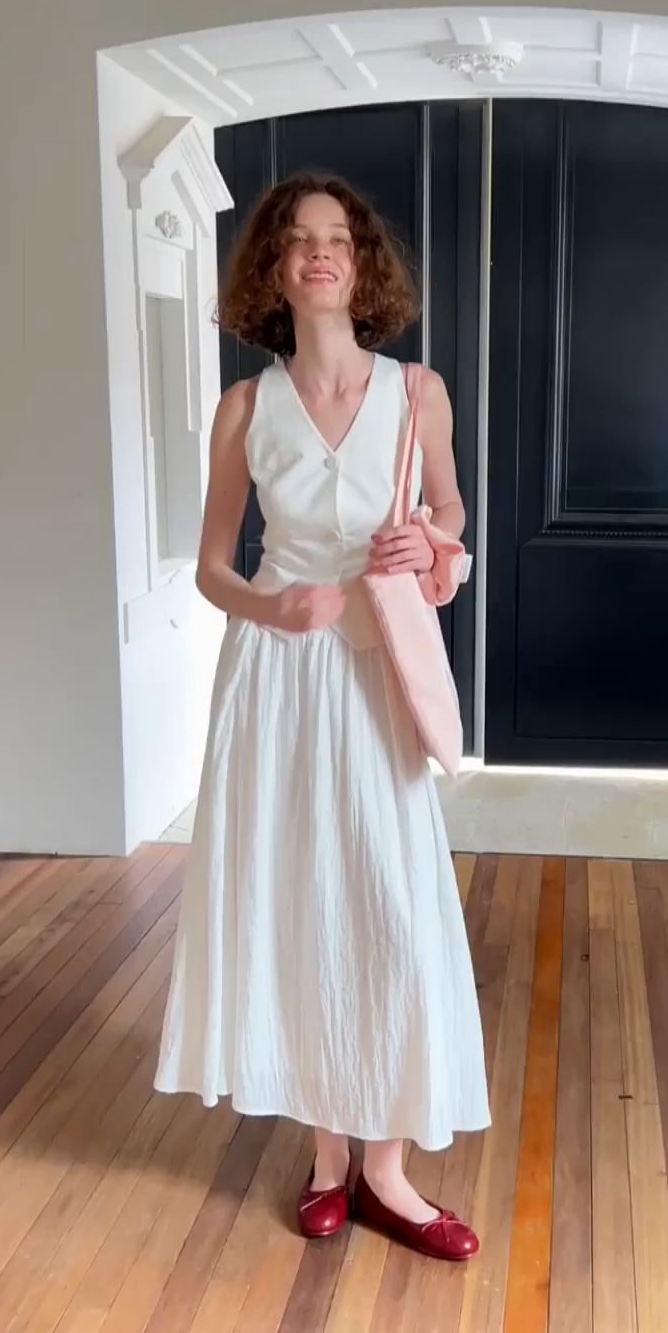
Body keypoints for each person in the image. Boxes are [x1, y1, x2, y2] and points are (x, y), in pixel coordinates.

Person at [154, 171, 490, 1261]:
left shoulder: (419, 392)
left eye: (338, 238)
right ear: (273, 267)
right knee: (298, 899)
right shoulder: (245, 409)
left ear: (361, 261)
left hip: (377, 670)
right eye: (298, 239)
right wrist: (271, 604)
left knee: (392, 906)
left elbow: (451, 510)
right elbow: (212, 565)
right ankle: (329, 1158)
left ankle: (388, 1171)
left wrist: (429, 538)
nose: (320, 253)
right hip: (276, 677)